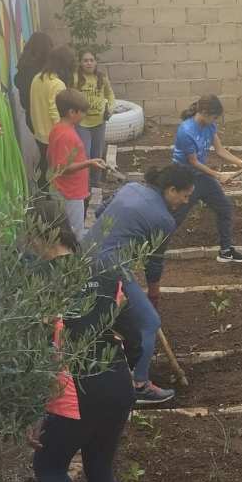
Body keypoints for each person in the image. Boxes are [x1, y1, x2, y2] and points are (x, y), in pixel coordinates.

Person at [28, 197, 141, 482]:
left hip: (76, 392)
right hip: (117, 385)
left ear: (36, 235)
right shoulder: (103, 271)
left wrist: (34, 411)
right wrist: (123, 369)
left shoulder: (39, 284)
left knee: (48, 467)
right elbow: (134, 335)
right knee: (100, 469)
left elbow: (36, 353)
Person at [83, 163, 195, 405]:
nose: (186, 201)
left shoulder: (131, 187)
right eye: (185, 195)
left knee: (109, 318)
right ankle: (140, 385)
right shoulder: (164, 219)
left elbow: (102, 213)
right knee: (149, 322)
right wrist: (154, 291)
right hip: (109, 268)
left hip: (87, 254)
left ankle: (110, 371)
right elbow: (154, 261)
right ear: (171, 190)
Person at [171, 95, 242, 264]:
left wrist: (240, 162)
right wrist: (219, 175)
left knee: (224, 208)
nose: (215, 121)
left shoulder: (209, 125)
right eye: (214, 117)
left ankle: (226, 251)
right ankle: (151, 250)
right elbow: (193, 162)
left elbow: (220, 150)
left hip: (202, 177)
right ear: (204, 112)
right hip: (185, 179)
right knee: (174, 218)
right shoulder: (185, 131)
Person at [47, 89, 107, 241]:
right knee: (74, 233)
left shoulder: (59, 128)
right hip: (69, 192)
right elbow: (62, 168)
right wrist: (89, 162)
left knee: (69, 230)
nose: (84, 115)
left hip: (66, 188)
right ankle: (75, 262)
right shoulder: (66, 135)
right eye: (82, 112)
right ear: (72, 112)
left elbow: (50, 157)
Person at [29, 45, 75, 183]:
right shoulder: (57, 84)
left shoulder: (37, 78)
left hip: (39, 133)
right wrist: (65, 135)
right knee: (56, 172)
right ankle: (54, 200)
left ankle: (44, 198)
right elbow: (55, 112)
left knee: (44, 168)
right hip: (53, 136)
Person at [76, 51, 115, 163]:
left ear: (96, 62)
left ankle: (95, 180)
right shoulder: (75, 79)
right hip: (82, 124)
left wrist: (111, 108)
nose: (89, 63)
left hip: (99, 122)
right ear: (80, 63)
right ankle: (85, 180)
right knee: (85, 154)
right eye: (85, 60)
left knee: (97, 154)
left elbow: (110, 94)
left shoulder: (101, 77)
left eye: (91, 60)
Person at [14, 31, 53, 134]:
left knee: (44, 147)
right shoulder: (45, 70)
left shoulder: (24, 66)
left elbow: (18, 83)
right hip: (47, 115)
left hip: (31, 116)